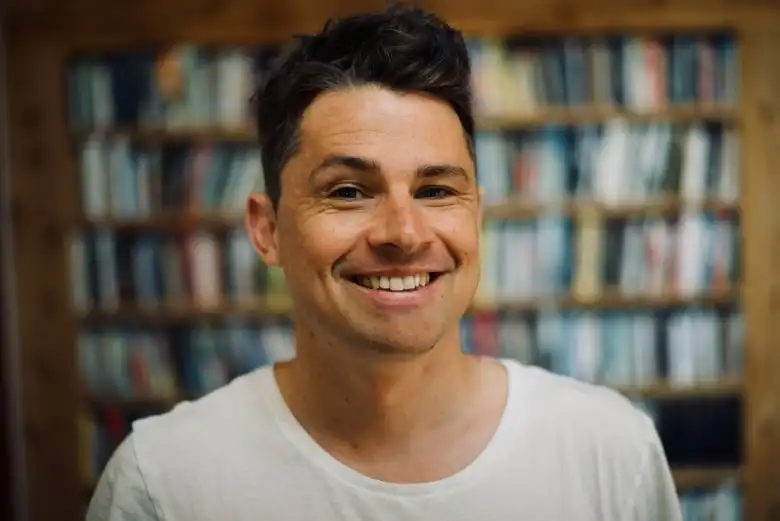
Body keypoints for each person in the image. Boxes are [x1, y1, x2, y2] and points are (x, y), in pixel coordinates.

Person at [86, 5, 683, 521]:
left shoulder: (611, 452)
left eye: (436, 191)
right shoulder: (162, 483)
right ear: (267, 231)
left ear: (476, 218)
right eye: (348, 191)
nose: (403, 232)